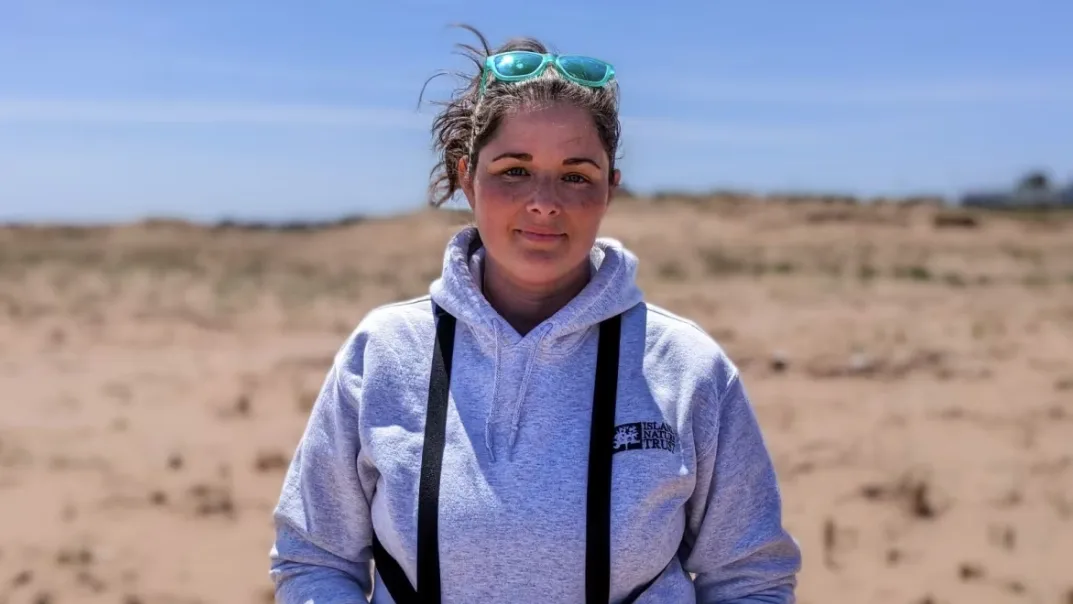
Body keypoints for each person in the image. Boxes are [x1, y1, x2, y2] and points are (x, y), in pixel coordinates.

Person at [269, 25, 802, 604]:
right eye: (514, 170)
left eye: (576, 175)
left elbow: (750, 578)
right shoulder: (384, 352)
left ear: (610, 191)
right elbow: (314, 559)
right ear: (466, 177)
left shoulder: (688, 367)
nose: (544, 201)